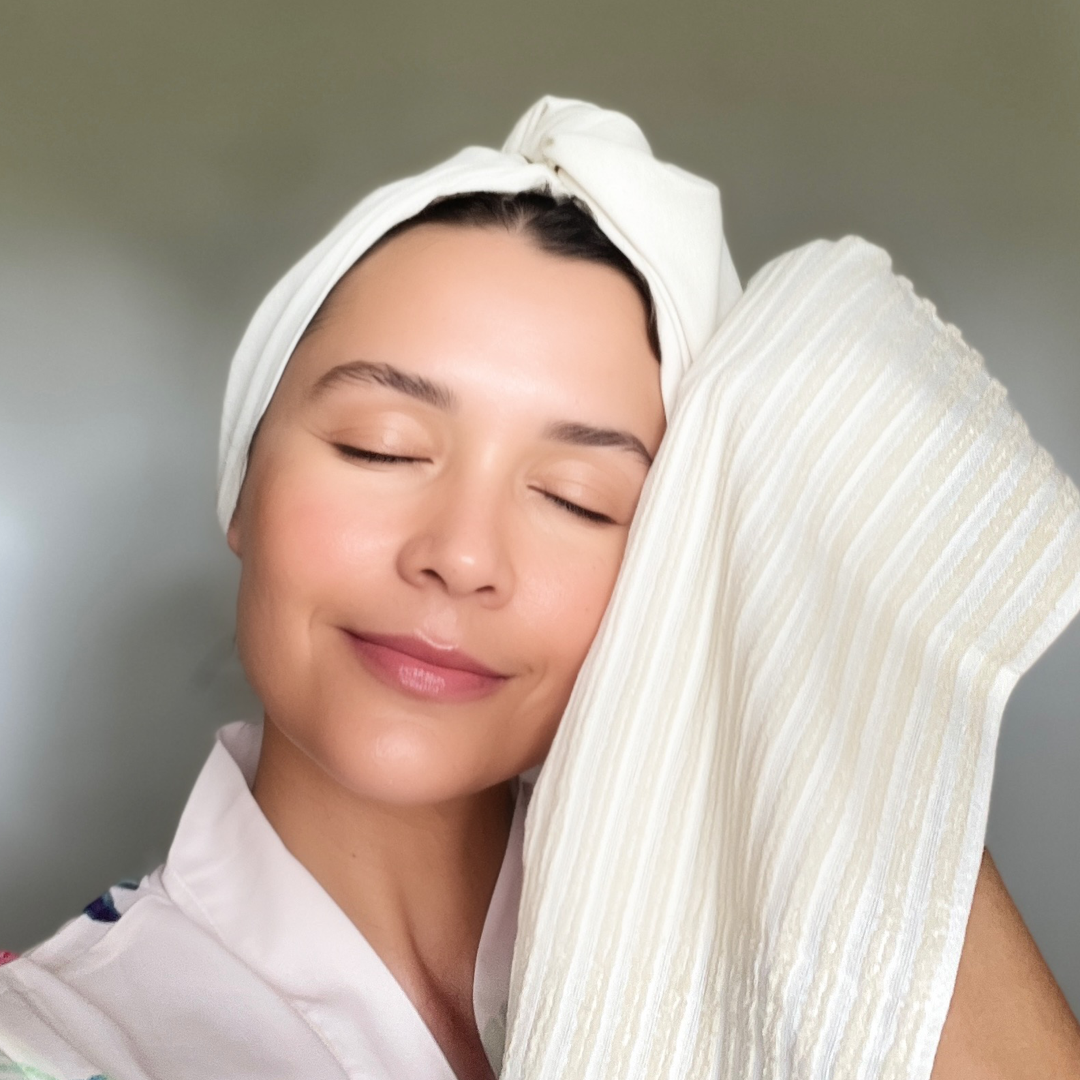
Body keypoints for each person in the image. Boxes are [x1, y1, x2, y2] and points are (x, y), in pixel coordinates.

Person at [2, 97, 1079, 1080]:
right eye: (381, 447)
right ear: (244, 485)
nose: (462, 554)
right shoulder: (48, 1041)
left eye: (577, 499)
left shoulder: (788, 982)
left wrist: (834, 671)